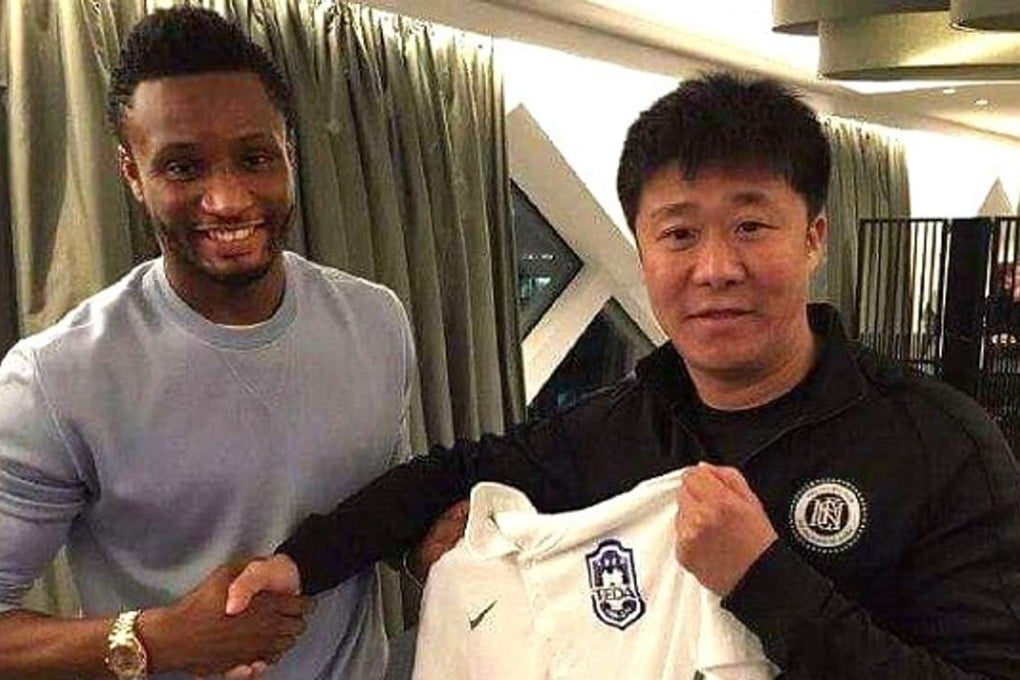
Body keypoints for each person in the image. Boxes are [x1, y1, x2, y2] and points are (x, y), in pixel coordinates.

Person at [228, 74, 1020, 678]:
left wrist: (763, 579)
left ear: (813, 237)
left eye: (751, 225)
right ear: (642, 251)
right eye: (679, 234)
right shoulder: (614, 427)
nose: (716, 268)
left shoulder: (940, 445)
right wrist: (297, 565)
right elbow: (451, 473)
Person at [0, 7, 413, 679]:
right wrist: (157, 639)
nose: (226, 200)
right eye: (183, 168)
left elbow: (379, 508)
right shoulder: (57, 378)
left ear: (289, 153)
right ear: (132, 174)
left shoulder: (376, 321)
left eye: (254, 158)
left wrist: (426, 539)